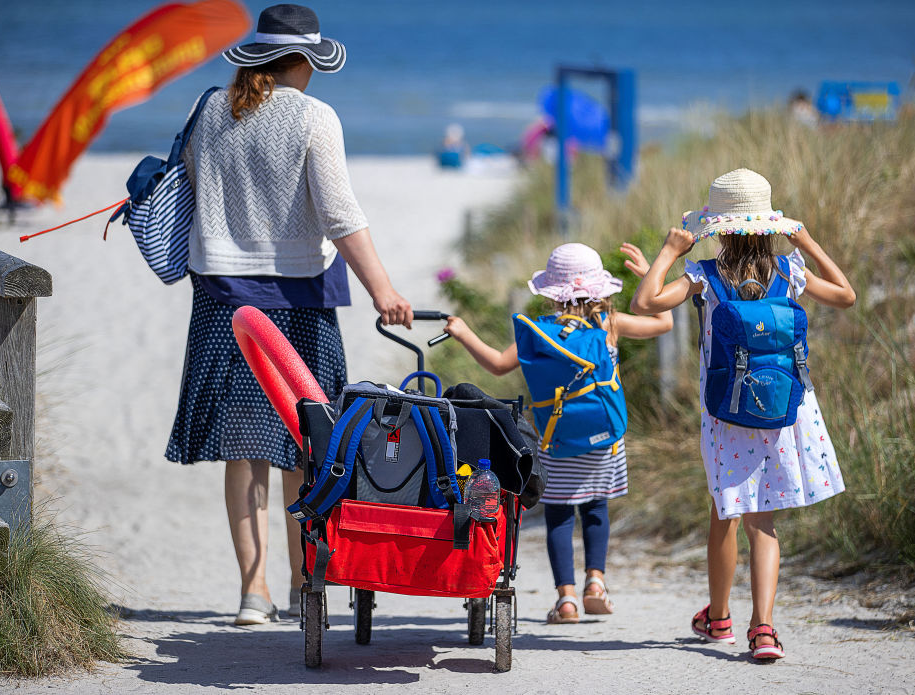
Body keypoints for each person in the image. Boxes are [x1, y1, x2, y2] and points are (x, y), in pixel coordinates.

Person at [164, 3, 412, 626]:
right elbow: (339, 214)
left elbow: (190, 186)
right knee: (308, 446)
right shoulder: (314, 117)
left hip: (221, 298)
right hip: (299, 300)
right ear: (306, 60)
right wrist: (383, 289)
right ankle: (307, 582)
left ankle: (254, 592)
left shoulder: (208, 109)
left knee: (242, 448)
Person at [629, 168, 855, 660]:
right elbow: (846, 295)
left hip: (727, 411)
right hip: (784, 409)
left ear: (719, 230)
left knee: (724, 511)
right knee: (762, 522)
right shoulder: (790, 270)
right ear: (768, 225)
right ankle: (764, 630)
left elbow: (644, 302)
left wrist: (670, 251)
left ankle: (719, 618)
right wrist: (809, 242)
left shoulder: (704, 276)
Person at [444, 242, 673, 624]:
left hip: (555, 440)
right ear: (598, 290)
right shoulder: (609, 324)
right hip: (605, 440)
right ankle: (595, 583)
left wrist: (464, 332)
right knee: (597, 508)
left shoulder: (540, 333)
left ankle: (566, 600)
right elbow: (664, 323)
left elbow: (498, 365)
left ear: (551, 292)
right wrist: (649, 273)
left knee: (560, 517)